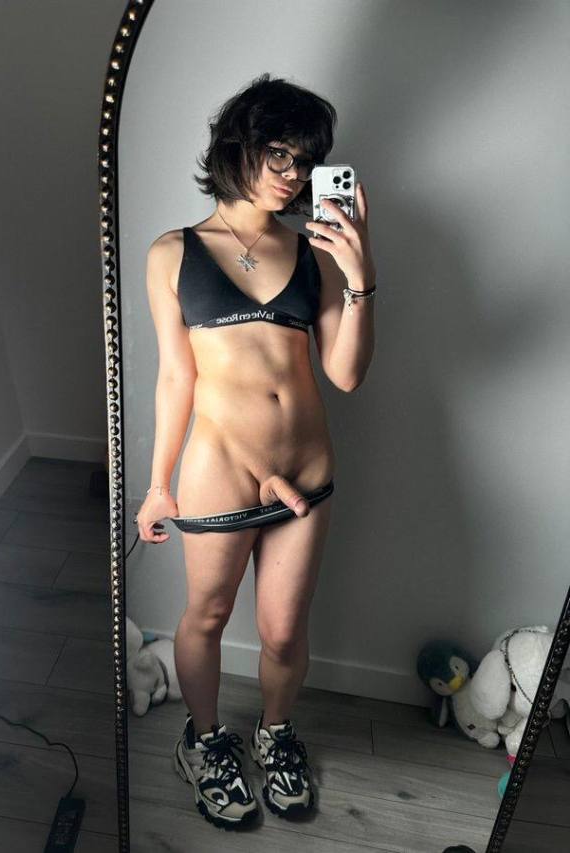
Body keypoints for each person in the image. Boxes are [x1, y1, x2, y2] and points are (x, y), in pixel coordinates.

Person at [135, 72, 376, 829]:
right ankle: (206, 742)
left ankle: (274, 735)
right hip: (220, 466)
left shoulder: (313, 252)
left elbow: (346, 373)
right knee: (206, 614)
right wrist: (157, 482)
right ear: (236, 146)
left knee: (283, 630)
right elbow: (177, 377)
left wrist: (361, 275)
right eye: (278, 153)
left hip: (307, 465)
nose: (292, 174)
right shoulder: (173, 251)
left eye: (305, 161)